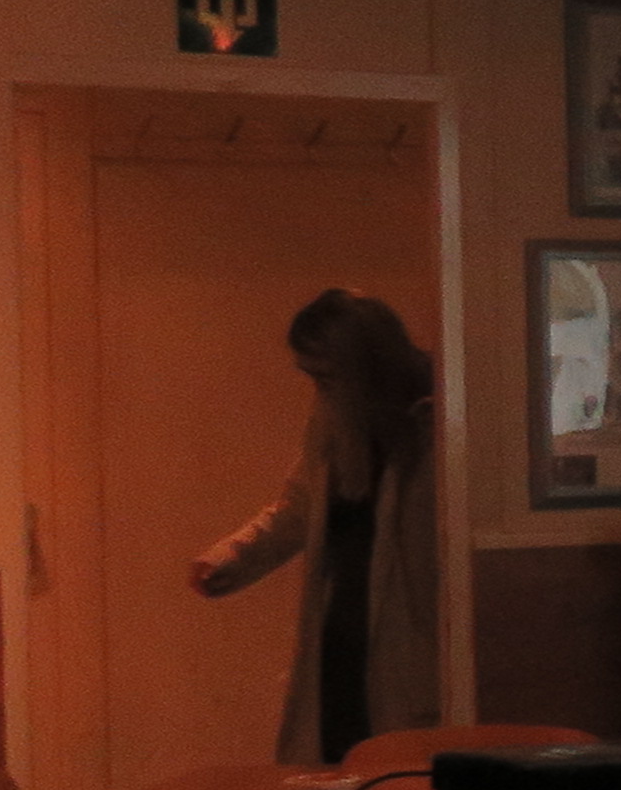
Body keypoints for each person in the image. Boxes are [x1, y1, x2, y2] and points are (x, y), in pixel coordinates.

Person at [190, 289, 444, 761]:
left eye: (326, 378)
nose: (319, 391)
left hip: (405, 649)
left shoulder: (437, 426)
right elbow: (302, 504)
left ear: (366, 370)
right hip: (342, 636)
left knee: (395, 771)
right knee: (338, 765)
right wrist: (233, 557)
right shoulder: (337, 419)